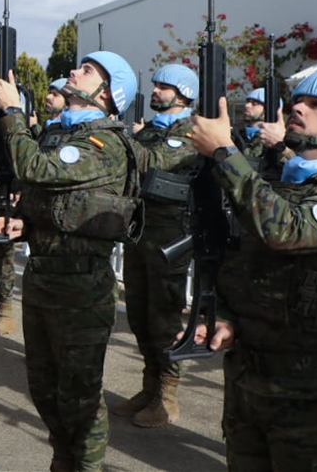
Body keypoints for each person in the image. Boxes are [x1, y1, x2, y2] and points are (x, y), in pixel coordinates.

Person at [187, 66, 317, 471]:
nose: (298, 106)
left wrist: (225, 153)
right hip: (250, 381)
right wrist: (228, 318)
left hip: (316, 394)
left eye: (316, 104)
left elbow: (286, 230)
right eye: (298, 99)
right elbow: (252, 265)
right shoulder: (281, 183)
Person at [0, 52, 139, 472]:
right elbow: (60, 203)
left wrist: (14, 112)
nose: (74, 72)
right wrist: (27, 226)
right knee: (44, 386)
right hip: (43, 277)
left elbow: (35, 169)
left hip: (82, 288)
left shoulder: (103, 142)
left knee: (80, 395)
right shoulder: (67, 137)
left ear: (107, 94)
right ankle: (63, 460)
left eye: (87, 71)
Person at [114, 63, 201, 428]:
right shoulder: (150, 130)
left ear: (182, 94)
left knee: (163, 315)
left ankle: (167, 395)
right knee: (138, 313)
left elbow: (155, 163)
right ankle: (150, 384)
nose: (155, 91)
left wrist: (122, 141)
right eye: (156, 85)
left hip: (170, 237)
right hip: (141, 232)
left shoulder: (190, 133)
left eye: (163, 86)